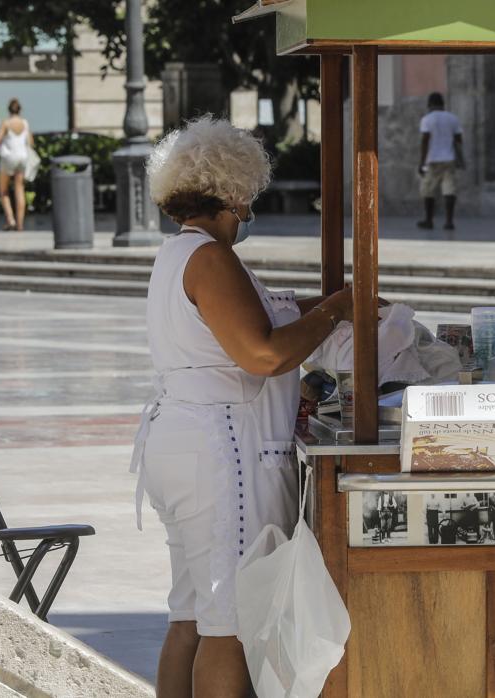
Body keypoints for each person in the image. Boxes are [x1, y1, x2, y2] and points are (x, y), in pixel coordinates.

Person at [132, 116, 354, 697]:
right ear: (233, 195)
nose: (248, 211)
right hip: (218, 456)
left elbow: (255, 319)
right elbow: (261, 351)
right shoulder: (210, 258)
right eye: (249, 199)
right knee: (227, 623)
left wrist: (323, 307)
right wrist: (333, 311)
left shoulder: (177, 254)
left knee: (191, 616)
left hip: (181, 446)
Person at [417, 92, 464, 231]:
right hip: (449, 159)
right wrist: (460, 157)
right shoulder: (453, 118)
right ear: (442, 104)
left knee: (428, 190)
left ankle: (428, 220)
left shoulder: (427, 119)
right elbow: (459, 140)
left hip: (433, 160)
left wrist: (422, 162)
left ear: (429, 105)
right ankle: (449, 221)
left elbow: (425, 140)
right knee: (449, 189)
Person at [0, 99, 34, 232]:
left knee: (3, 191)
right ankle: (20, 224)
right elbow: (30, 142)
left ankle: (11, 220)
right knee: (20, 189)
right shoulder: (24, 123)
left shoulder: (6, 123)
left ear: (9, 110)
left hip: (9, 157)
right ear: (19, 110)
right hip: (22, 157)